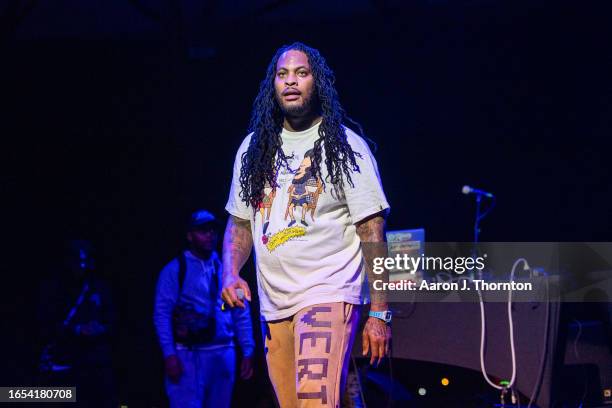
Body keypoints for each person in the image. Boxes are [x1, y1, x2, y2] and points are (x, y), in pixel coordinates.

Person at [222, 42, 391, 408]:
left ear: (318, 83)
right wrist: (230, 273)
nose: (291, 82)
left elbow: (372, 231)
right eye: (282, 74)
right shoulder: (253, 150)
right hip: (274, 304)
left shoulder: (345, 146)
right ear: (273, 85)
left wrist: (378, 311)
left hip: (327, 292)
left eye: (301, 73)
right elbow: (239, 224)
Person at [154, 210, 255, 408]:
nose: (209, 235)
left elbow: (241, 311)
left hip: (223, 351)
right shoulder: (175, 270)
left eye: (213, 230)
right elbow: (162, 314)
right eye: (202, 230)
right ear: (189, 235)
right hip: (188, 354)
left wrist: (248, 349)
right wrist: (169, 354)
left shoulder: (227, 270)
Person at [38, 239, 115, 407]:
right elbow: (44, 324)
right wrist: (77, 330)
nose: (82, 266)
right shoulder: (55, 289)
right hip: (65, 363)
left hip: (95, 364)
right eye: (78, 261)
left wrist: (102, 328)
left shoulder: (99, 288)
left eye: (85, 261)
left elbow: (112, 319)